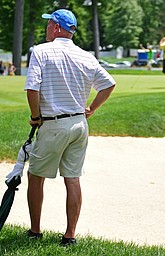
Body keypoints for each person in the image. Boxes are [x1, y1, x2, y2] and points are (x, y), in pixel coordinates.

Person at [24, 9, 116, 246]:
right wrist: (91, 109)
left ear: (56, 27)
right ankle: (69, 236)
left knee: (35, 176)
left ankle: (35, 231)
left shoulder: (41, 51)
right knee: (72, 179)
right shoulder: (86, 56)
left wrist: (35, 116)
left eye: (48, 25)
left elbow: (32, 88)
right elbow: (108, 84)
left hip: (54, 124)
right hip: (79, 125)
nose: (46, 29)